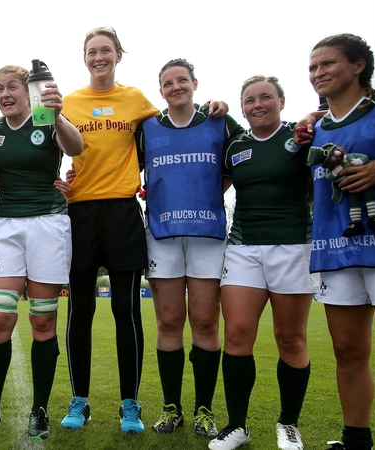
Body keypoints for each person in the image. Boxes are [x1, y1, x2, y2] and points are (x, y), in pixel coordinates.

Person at [0, 65, 83, 440]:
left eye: (12, 87)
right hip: (6, 225)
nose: (5, 94)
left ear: (28, 91)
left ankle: (40, 410)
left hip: (48, 224)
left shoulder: (46, 119)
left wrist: (58, 114)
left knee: (42, 322)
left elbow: (76, 148)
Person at [58, 26, 159, 434]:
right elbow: (38, 141)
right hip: (79, 213)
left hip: (122, 212)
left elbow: (171, 129)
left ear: (119, 54)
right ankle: (79, 400)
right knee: (80, 311)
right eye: (91, 51)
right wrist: (56, 181)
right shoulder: (68, 102)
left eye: (106, 50)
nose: (98, 57)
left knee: (126, 313)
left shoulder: (136, 99)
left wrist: (211, 110)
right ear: (84, 58)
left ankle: (129, 404)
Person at [137, 58, 244, 438]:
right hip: (162, 235)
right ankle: (172, 407)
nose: (175, 87)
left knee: (205, 322)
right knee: (168, 322)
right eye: (168, 83)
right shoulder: (147, 127)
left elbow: (241, 162)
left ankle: (204, 409)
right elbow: (122, 167)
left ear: (195, 83)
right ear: (160, 90)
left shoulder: (221, 121)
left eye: (182, 80)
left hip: (207, 236)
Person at [208, 75, 314, 450]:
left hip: (293, 246)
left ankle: (288, 425)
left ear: (281, 101)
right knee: (237, 334)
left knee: (290, 338)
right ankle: (237, 426)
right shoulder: (235, 145)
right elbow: (213, 185)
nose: (258, 104)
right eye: (250, 100)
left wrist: (314, 118)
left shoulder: (301, 136)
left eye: (266, 97)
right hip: (243, 247)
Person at [306, 34, 375, 450]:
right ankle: (356, 441)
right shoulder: (313, 129)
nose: (318, 73)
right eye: (313, 67)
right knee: (348, 351)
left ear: (358, 65)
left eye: (328, 63)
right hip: (335, 248)